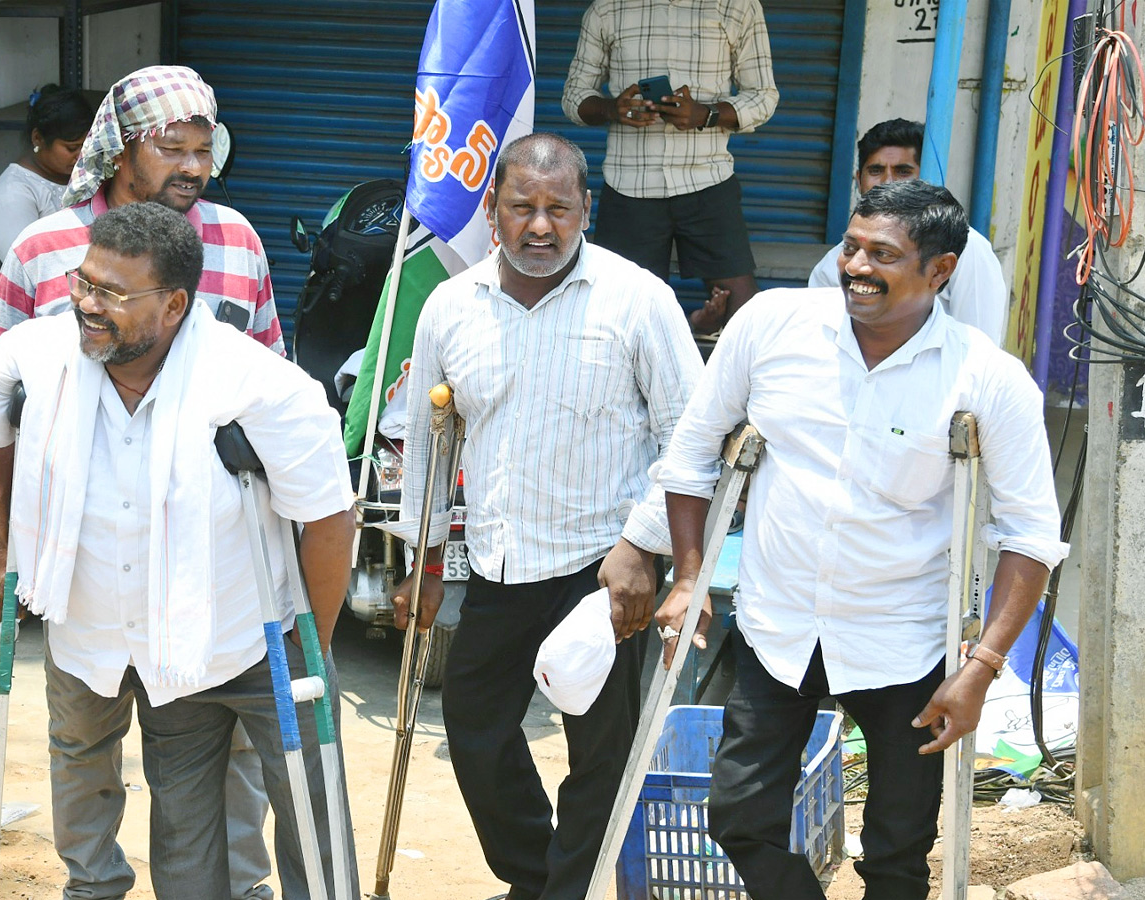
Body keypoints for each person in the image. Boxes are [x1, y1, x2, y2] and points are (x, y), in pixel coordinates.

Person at [653, 180, 1067, 900]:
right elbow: (690, 455)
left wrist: (982, 666)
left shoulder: (986, 379)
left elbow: (1030, 534)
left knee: (899, 856)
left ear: (939, 271)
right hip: (777, 625)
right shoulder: (774, 325)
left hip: (904, 642)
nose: (855, 267)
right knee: (738, 817)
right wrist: (689, 576)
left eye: (883, 255)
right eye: (850, 246)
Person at [0, 202, 357, 900]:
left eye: (113, 293)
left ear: (174, 305)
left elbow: (328, 521)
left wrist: (308, 644)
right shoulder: (39, 356)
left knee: (314, 834)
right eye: (84, 283)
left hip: (255, 632)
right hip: (148, 646)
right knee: (186, 858)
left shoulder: (257, 382)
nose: (87, 305)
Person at [0, 65, 284, 900]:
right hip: (80, 553)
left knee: (222, 754)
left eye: (202, 150)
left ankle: (235, 887)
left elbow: (274, 397)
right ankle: (93, 885)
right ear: (116, 149)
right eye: (171, 148)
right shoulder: (45, 251)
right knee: (81, 740)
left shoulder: (237, 242)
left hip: (208, 562)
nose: (192, 167)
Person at [387, 133, 703, 900]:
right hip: (499, 560)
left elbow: (691, 439)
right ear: (492, 212)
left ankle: (567, 891)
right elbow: (427, 445)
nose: (539, 226)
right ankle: (538, 877)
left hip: (605, 566)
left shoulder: (638, 300)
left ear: (585, 210)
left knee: (600, 750)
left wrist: (646, 548)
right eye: (521, 207)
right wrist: (421, 562)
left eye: (557, 208)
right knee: (475, 728)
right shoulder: (449, 307)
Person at [561, 0, 778, 334]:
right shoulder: (607, 9)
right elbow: (574, 97)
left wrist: (706, 114)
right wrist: (612, 109)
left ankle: (741, 385)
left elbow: (763, 95)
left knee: (742, 311)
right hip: (630, 185)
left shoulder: (737, 6)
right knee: (620, 314)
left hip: (707, 180)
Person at [809, 118, 1009, 345]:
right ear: (858, 180)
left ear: (925, 178)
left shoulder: (966, 247)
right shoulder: (834, 264)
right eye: (876, 170)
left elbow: (980, 345)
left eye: (903, 171)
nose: (888, 182)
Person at [0, 85, 95, 262]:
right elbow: (26, 267)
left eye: (86, 145)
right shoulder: (13, 193)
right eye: (72, 148)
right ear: (38, 138)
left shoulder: (86, 176)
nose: (81, 155)